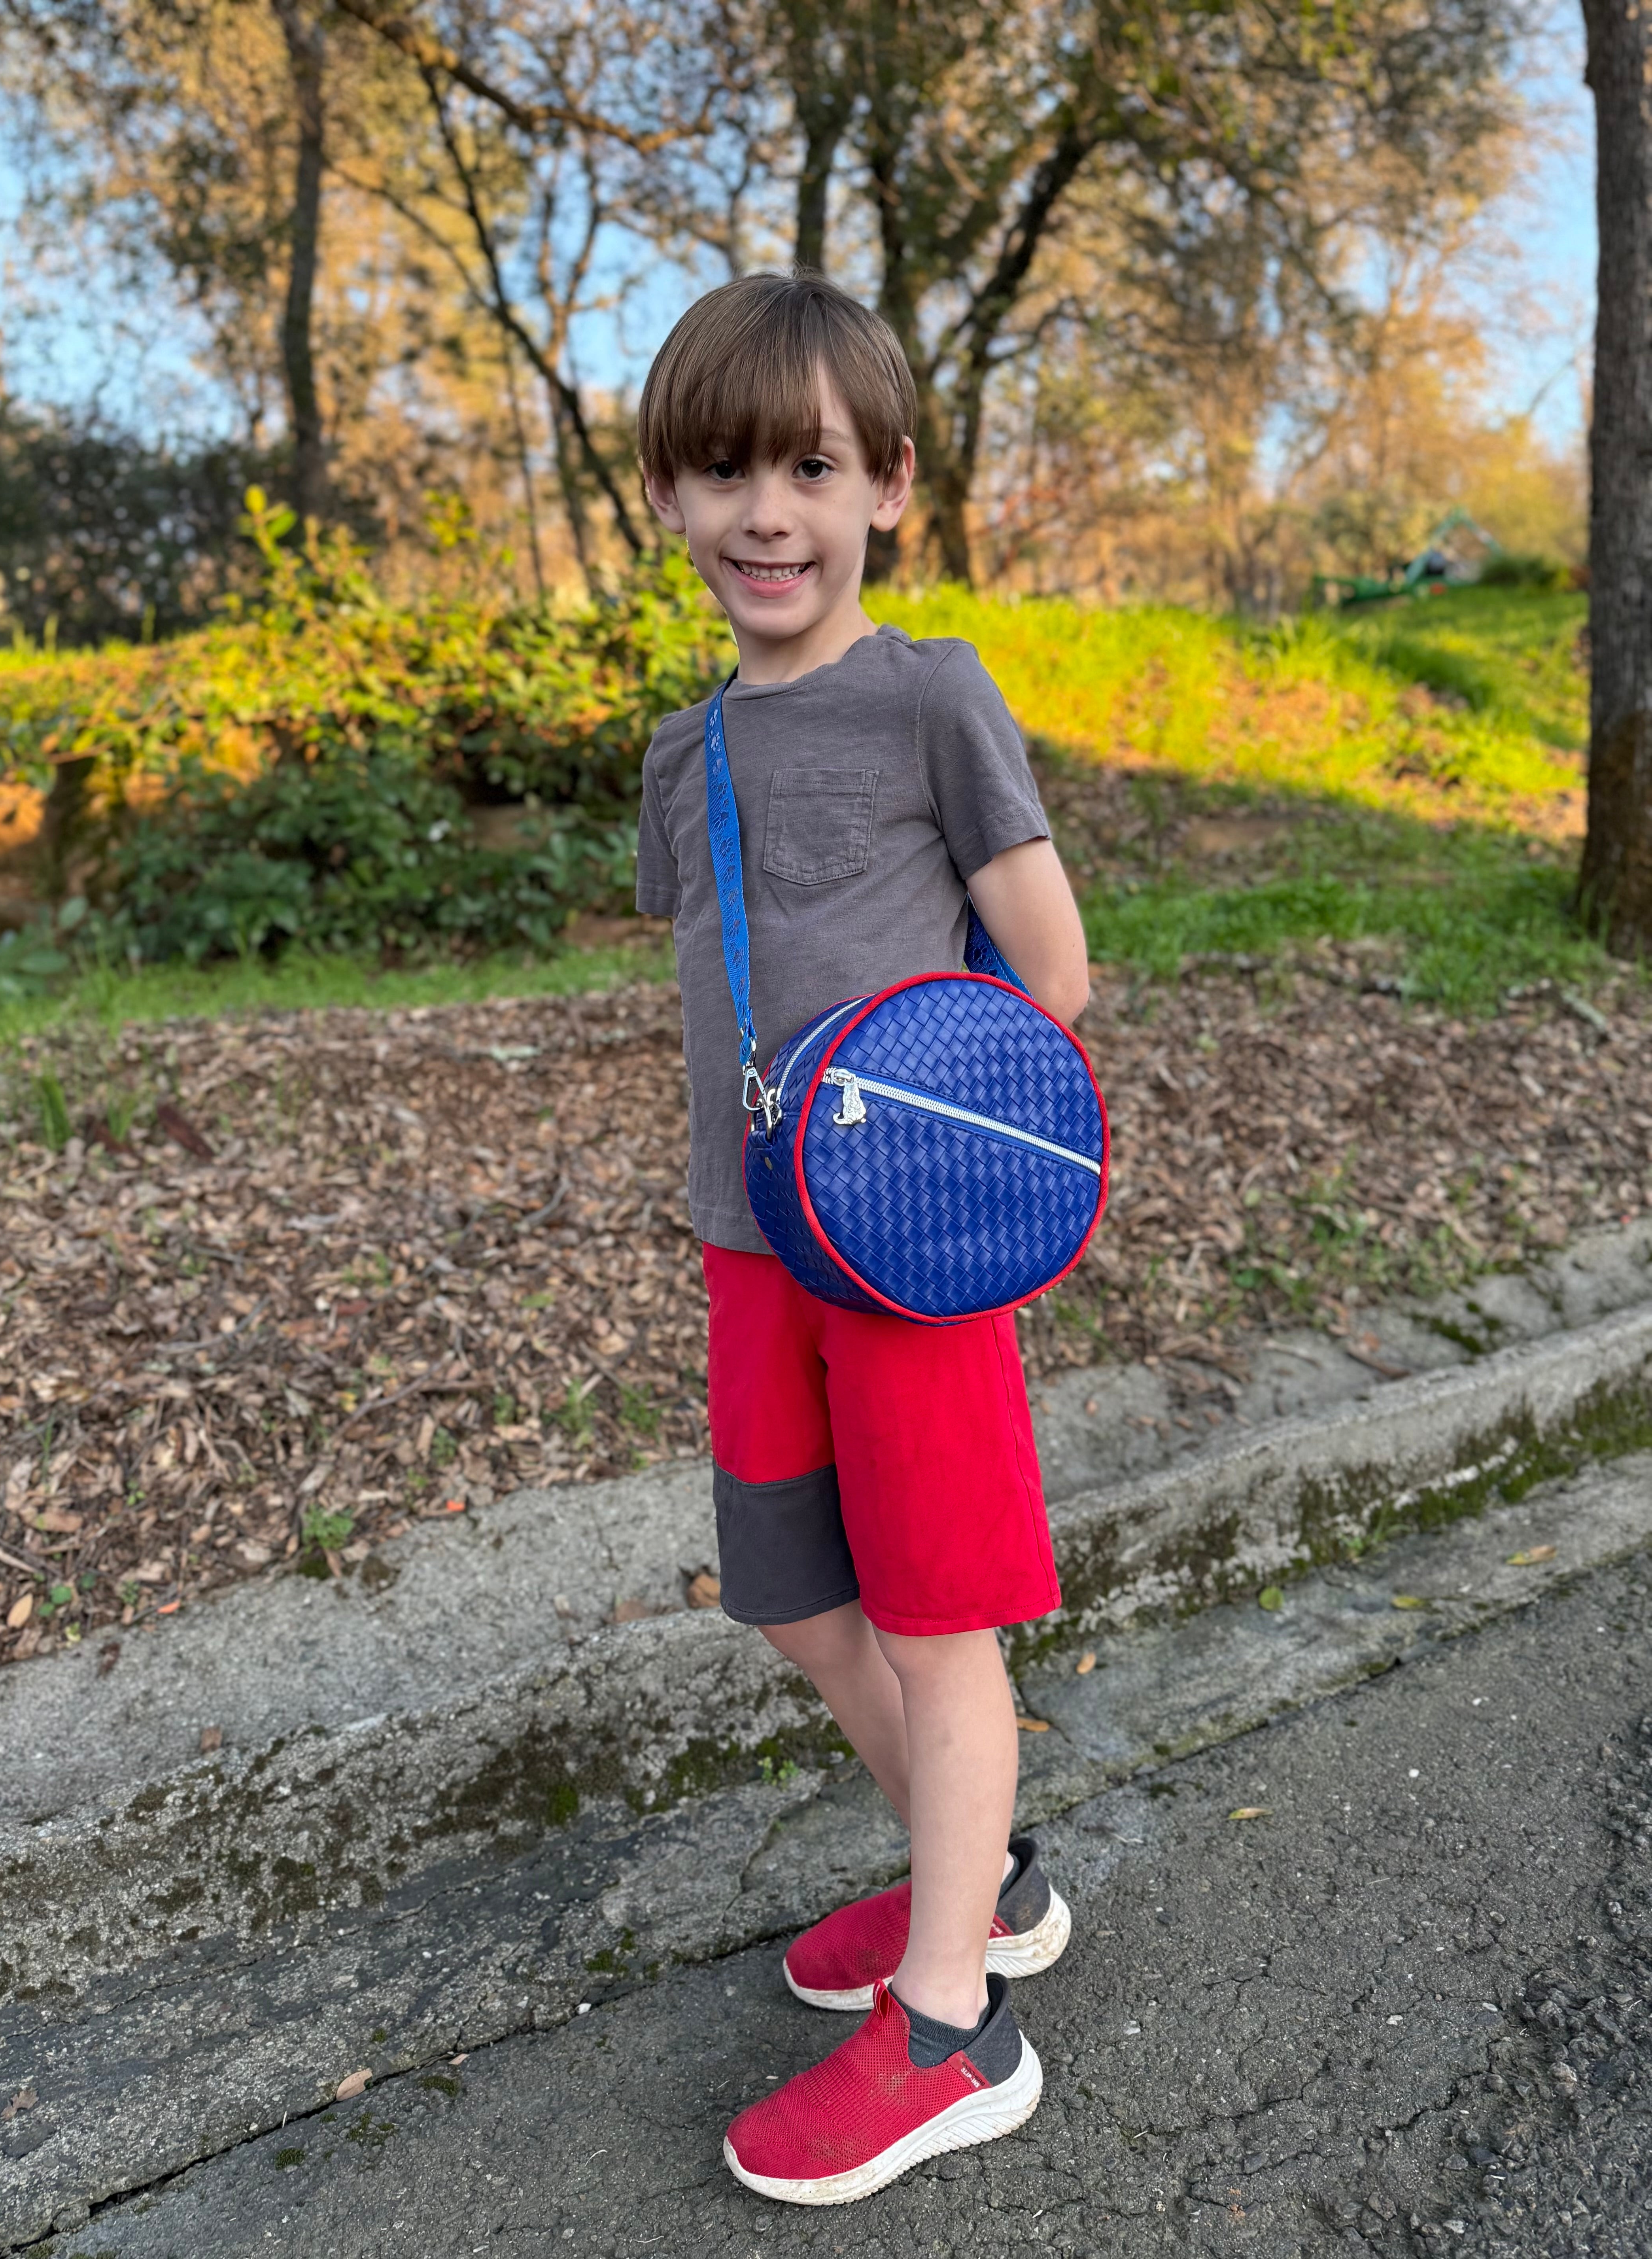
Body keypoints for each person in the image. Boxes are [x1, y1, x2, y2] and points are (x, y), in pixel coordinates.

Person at [634, 270, 1092, 2207]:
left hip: (902, 1256)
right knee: (800, 1600)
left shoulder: (931, 694)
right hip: (753, 1244)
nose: (768, 512)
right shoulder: (681, 757)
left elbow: (1049, 967)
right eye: (725, 470)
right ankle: (977, 1877)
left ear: (888, 485)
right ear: (668, 497)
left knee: (935, 1612)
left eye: (812, 468)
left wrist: (936, 1141)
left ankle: (951, 2026)